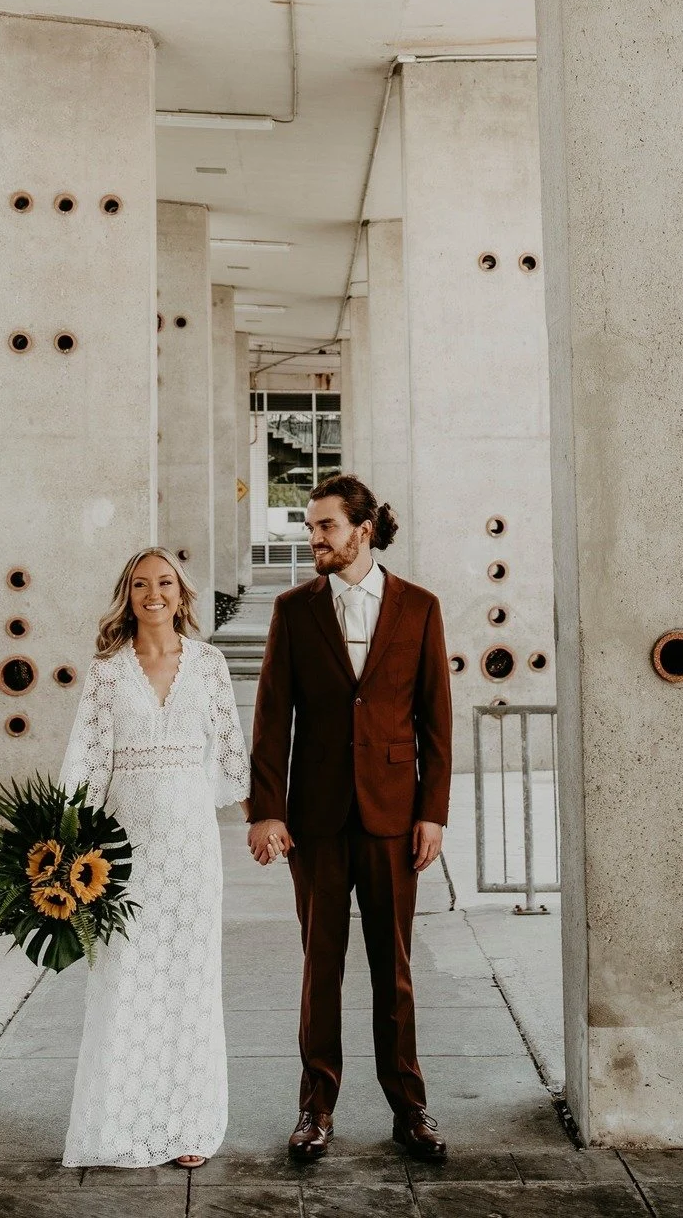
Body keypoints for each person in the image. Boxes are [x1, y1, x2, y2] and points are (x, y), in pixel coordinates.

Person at [248, 475, 453, 1163]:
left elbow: (436, 722)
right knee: (320, 966)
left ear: (362, 530)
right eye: (309, 529)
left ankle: (410, 1105)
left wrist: (433, 813)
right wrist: (265, 810)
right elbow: (272, 716)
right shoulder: (293, 609)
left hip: (394, 816)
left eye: (324, 528)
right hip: (316, 817)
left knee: (392, 968)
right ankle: (315, 1106)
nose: (313, 540)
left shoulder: (419, 607)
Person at [58, 547, 251, 1170]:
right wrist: (67, 844)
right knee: (127, 980)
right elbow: (87, 761)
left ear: (181, 592)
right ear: (127, 594)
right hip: (123, 848)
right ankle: (121, 1123)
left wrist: (264, 823)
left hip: (192, 847)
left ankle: (189, 1125)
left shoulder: (211, 665)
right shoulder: (107, 671)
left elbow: (229, 755)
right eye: (141, 584)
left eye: (164, 582)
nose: (153, 594)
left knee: (189, 980)